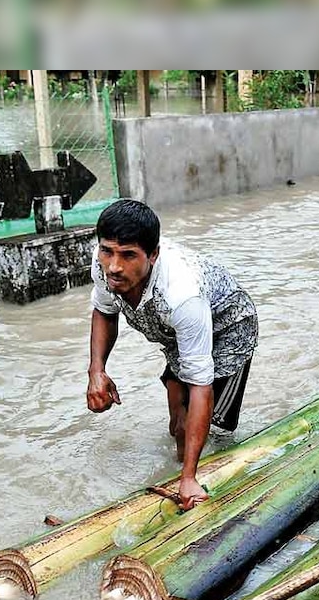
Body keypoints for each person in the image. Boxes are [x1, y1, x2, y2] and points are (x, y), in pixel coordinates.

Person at [87, 199, 258, 509]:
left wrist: (190, 477)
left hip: (228, 327)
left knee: (215, 427)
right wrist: (96, 371)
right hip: (174, 334)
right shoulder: (105, 267)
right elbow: (104, 310)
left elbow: (200, 386)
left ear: (153, 255)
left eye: (128, 256)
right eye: (107, 251)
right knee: (176, 425)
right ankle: (180, 465)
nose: (114, 266)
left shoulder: (181, 295)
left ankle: (196, 476)